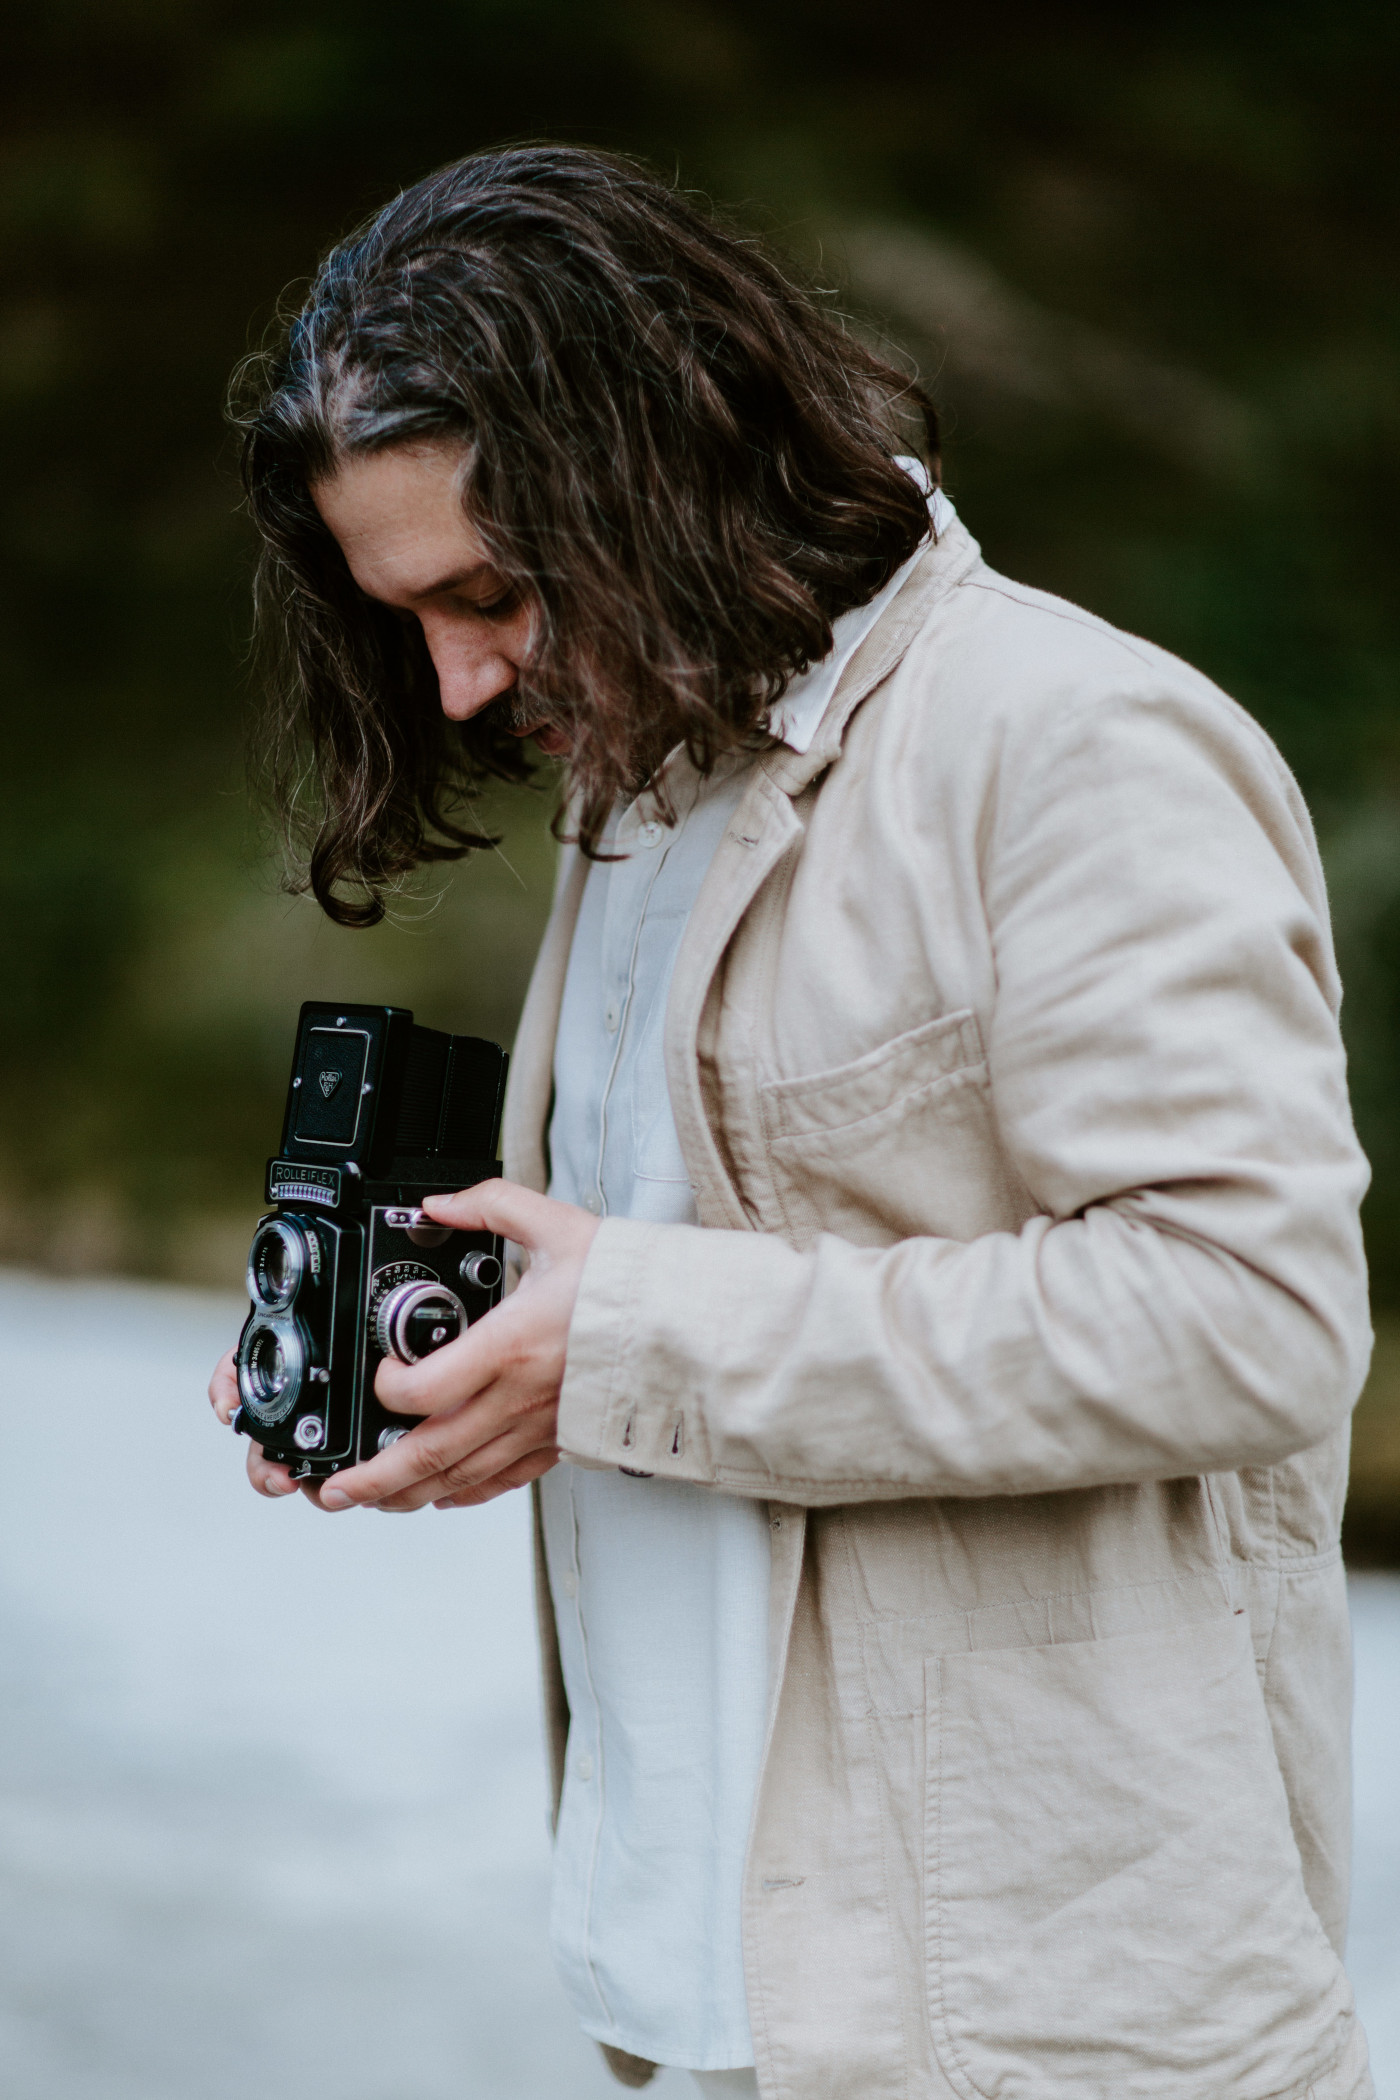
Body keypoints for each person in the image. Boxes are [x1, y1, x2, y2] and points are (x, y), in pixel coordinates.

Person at [208, 144, 1376, 2100]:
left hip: (1053, 2042)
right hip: (710, 2014)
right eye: (405, 617)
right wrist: (464, 1365)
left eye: (491, 594)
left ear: (664, 467)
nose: (459, 679)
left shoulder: (1069, 741)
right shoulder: (635, 791)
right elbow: (692, 1307)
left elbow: (1248, 1314)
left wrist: (629, 1336)